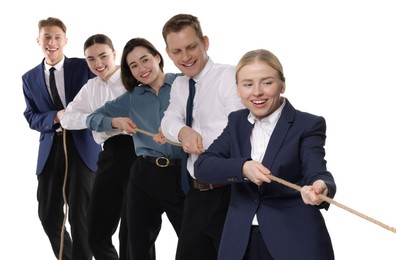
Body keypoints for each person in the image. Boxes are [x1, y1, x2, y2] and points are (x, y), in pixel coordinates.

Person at [194, 49, 336, 260]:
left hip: (293, 239)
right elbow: (203, 167)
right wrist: (243, 168)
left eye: (267, 83)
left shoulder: (308, 124)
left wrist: (320, 186)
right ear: (238, 89)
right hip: (240, 241)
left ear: (282, 85)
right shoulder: (236, 122)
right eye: (248, 84)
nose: (257, 92)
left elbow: (316, 171)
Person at [86, 37, 185, 260]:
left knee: (193, 242)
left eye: (145, 60)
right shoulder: (132, 98)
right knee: (136, 248)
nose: (142, 69)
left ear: (158, 57)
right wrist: (116, 122)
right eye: (134, 65)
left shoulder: (184, 84)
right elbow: (93, 118)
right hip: (145, 175)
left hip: (182, 173)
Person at [160, 14, 245, 260]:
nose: (185, 57)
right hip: (197, 193)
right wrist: (183, 131)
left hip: (229, 193)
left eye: (191, 47)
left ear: (205, 42)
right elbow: (168, 121)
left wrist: (207, 145)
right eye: (177, 51)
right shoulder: (179, 85)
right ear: (168, 53)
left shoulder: (228, 76)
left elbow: (240, 127)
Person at [21, 17, 101, 260]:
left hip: (82, 147)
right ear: (38, 40)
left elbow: (101, 96)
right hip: (50, 149)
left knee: (81, 215)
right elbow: (31, 116)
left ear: (65, 41)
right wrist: (55, 116)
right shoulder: (29, 78)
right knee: (48, 215)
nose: (52, 42)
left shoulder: (83, 67)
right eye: (46, 37)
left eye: (57, 37)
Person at [60, 34, 137, 260]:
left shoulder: (131, 79)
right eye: (91, 59)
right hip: (109, 156)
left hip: (138, 153)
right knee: (95, 236)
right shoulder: (91, 87)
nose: (98, 64)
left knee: (133, 235)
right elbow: (67, 118)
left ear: (115, 55)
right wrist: (99, 121)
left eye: (103, 56)